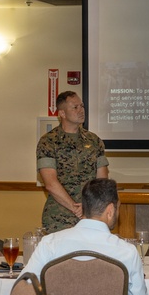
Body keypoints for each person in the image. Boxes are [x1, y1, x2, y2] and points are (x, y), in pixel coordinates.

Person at [37, 91, 109, 233]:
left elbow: (102, 180)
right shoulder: (48, 142)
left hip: (91, 217)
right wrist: (76, 208)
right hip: (59, 218)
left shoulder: (94, 141)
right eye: (75, 107)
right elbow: (50, 183)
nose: (81, 110)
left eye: (81, 106)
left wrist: (88, 208)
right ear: (62, 113)